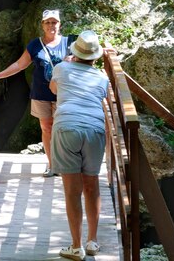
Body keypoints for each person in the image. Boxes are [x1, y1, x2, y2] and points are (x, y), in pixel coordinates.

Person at [0, 9, 76, 177]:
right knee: (47, 128)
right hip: (41, 93)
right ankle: (52, 165)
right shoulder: (35, 45)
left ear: (60, 24)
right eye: (48, 22)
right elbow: (20, 65)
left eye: (54, 22)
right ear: (42, 25)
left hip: (64, 94)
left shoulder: (70, 42)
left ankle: (65, 163)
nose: (51, 25)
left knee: (62, 129)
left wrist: (106, 51)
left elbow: (89, 54)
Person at [49, 30, 109, 260]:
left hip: (67, 126)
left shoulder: (62, 68)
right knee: (91, 185)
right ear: (95, 57)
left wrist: (65, 63)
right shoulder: (102, 78)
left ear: (74, 53)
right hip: (95, 128)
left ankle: (76, 247)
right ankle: (92, 241)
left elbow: (54, 89)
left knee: (72, 191)